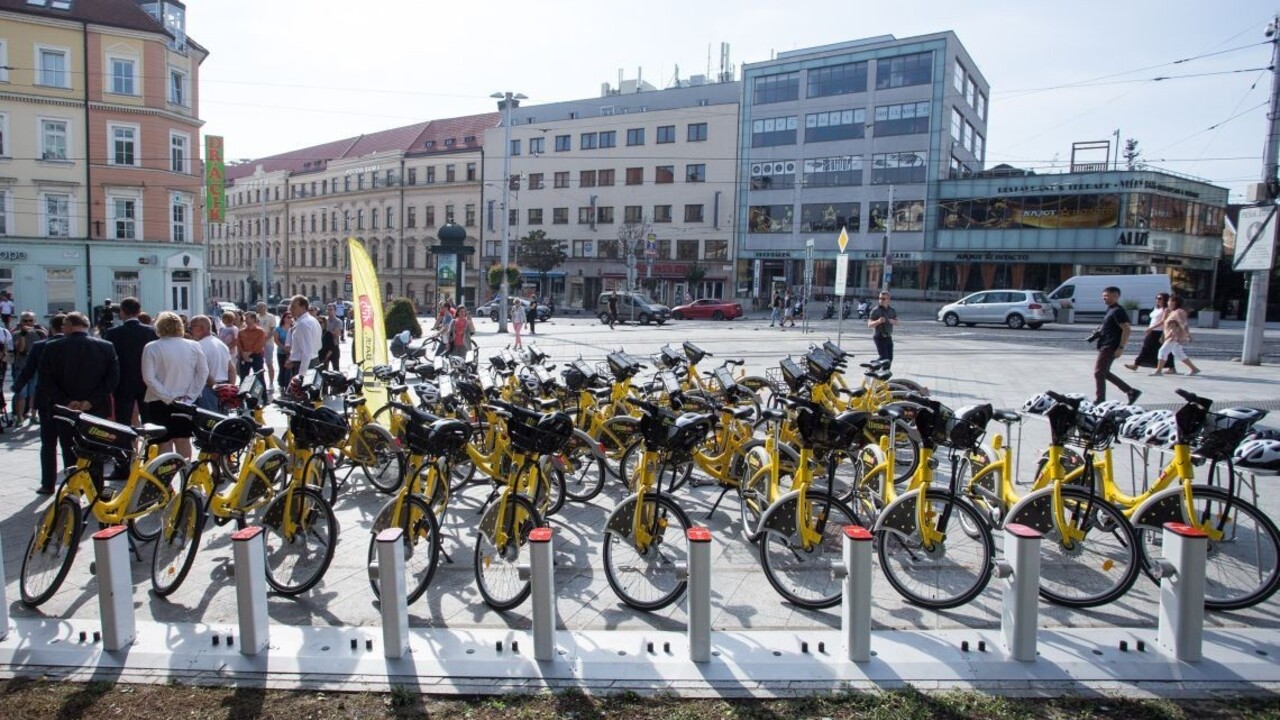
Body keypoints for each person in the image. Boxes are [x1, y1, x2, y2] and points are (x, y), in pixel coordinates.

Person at [39, 312, 119, 493]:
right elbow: (112, 380)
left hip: (65, 409)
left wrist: (67, 401)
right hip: (95, 408)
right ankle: (96, 488)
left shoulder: (53, 347)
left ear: (68, 325)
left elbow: (45, 380)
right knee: (96, 449)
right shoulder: (106, 346)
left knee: (69, 449)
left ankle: (74, 490)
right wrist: (90, 401)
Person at [141, 312, 208, 459]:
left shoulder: (151, 347)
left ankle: (166, 480)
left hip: (158, 399)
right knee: (183, 439)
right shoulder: (194, 345)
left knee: (164, 440)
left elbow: (149, 378)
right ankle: (185, 474)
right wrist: (191, 395)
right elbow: (202, 373)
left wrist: (167, 396)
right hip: (186, 400)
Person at [16, 314, 65, 493]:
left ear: (51, 327)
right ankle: (74, 485)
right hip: (70, 402)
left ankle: (48, 484)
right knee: (71, 445)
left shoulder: (40, 346)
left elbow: (27, 371)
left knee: (48, 444)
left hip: (47, 400)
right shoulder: (79, 344)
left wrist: (17, 386)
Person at [105, 297, 158, 432]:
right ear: (139, 311)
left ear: (122, 312)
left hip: (122, 382)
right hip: (147, 382)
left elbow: (108, 359)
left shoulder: (113, 333)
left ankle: (125, 450)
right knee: (149, 422)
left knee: (123, 423)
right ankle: (149, 451)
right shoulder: (151, 332)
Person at [1091, 286, 1141, 405]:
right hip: (1105, 343)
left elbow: (1127, 329)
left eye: (1107, 296)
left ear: (1116, 296)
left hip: (1111, 345)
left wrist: (1121, 348)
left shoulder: (1118, 310)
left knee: (1098, 372)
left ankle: (1100, 399)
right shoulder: (1110, 309)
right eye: (1103, 296)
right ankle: (1131, 391)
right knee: (1104, 372)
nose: (1104, 298)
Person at [190, 315, 236, 411]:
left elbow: (204, 372)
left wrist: (217, 389)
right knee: (222, 422)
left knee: (209, 423)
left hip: (208, 390)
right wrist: (229, 390)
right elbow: (232, 370)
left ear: (202, 328)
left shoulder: (198, 346)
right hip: (223, 387)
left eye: (192, 327)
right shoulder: (221, 344)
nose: (190, 330)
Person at [11, 311, 47, 424]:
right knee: (21, 393)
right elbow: (20, 349)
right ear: (21, 322)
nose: (27, 323)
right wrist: (22, 335)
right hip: (21, 365)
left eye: (30, 320)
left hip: (36, 366)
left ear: (34, 321)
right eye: (25, 320)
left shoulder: (40, 333)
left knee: (34, 392)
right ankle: (19, 417)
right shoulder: (16, 333)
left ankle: (33, 416)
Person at [1125, 293, 1175, 373]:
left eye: (1160, 298)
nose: (1157, 300)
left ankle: (1136, 365)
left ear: (1165, 299)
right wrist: (1150, 328)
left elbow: (1163, 321)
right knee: (1161, 349)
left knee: (1147, 347)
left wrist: (1151, 328)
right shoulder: (1156, 308)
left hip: (1159, 332)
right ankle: (1172, 367)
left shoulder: (1166, 310)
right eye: (1157, 298)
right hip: (1153, 331)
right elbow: (1154, 320)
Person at [1151, 296, 1201, 376]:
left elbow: (1183, 324)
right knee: (1178, 353)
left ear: (1174, 302)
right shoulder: (1173, 312)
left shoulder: (1179, 312)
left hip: (1174, 336)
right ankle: (1194, 369)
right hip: (1171, 336)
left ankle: (1158, 371)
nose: (1167, 302)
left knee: (1162, 351)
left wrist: (1188, 335)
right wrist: (1163, 336)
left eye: (1169, 301)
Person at [287, 294, 322, 373]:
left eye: (293, 306)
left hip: (305, 364)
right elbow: (319, 345)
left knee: (303, 385)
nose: (290, 309)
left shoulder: (302, 324)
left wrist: (301, 375)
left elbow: (306, 353)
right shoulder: (313, 320)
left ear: (303, 308)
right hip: (314, 360)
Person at [867, 291, 899, 364]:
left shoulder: (892, 310)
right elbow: (869, 324)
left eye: (883, 299)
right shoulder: (875, 310)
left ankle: (885, 373)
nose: (881, 300)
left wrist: (892, 321)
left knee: (890, 358)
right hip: (879, 337)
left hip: (888, 337)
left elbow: (897, 322)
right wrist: (878, 321)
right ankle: (872, 367)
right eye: (880, 298)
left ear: (888, 299)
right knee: (883, 357)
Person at [237, 311, 268, 379]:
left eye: (247, 318)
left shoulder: (260, 331)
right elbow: (239, 344)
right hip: (244, 356)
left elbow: (259, 344)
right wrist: (243, 353)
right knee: (243, 378)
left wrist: (249, 353)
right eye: (245, 318)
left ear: (253, 319)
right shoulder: (241, 332)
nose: (245, 320)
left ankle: (262, 390)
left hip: (256, 356)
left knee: (259, 377)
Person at [256, 302, 280, 388]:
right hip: (257, 344)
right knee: (259, 364)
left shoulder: (270, 317)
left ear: (265, 307)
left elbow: (272, 330)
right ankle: (260, 383)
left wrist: (264, 339)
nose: (260, 308)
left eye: (262, 306)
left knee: (269, 363)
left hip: (268, 343)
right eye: (258, 307)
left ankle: (271, 383)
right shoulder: (256, 317)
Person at [274, 312, 294, 391]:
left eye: (291, 317)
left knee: (289, 370)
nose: (289, 319)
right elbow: (276, 340)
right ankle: (281, 384)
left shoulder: (294, 328)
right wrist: (283, 347)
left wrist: (290, 349)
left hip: (292, 352)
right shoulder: (278, 328)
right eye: (288, 317)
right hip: (281, 352)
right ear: (284, 318)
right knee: (282, 368)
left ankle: (288, 385)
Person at [322, 303, 343, 371]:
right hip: (325, 348)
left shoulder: (338, 321)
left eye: (331, 309)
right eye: (328, 309)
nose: (329, 311)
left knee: (336, 368)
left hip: (334, 347)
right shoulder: (324, 321)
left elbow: (336, 334)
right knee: (324, 369)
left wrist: (327, 333)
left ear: (335, 311)